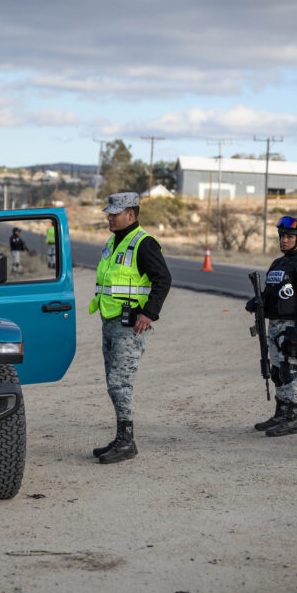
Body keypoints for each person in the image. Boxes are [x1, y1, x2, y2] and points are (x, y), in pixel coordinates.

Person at [88, 192, 172, 464]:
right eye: (109, 213)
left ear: (131, 215)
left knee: (119, 383)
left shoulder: (144, 243)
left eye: (115, 213)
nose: (110, 217)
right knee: (114, 383)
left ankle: (127, 442)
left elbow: (163, 279)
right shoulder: (114, 241)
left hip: (131, 325)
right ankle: (121, 437)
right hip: (111, 321)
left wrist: (149, 314)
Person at [246, 216, 297, 437]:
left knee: (290, 370)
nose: (284, 240)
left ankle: (291, 419)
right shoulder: (279, 263)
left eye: (289, 237)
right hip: (275, 325)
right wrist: (256, 302)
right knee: (277, 371)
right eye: (282, 236)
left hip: (293, 325)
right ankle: (280, 415)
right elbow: (270, 292)